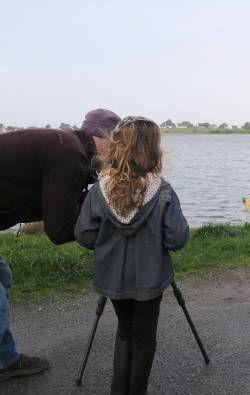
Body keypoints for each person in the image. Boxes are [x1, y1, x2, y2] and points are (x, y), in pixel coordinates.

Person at [0, 109, 121, 383]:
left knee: (2, 277)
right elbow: (59, 230)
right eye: (116, 145)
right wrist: (107, 226)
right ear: (101, 138)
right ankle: (6, 362)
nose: (116, 155)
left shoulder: (66, 145)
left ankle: (6, 359)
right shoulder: (70, 155)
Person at [74, 116, 189, 395]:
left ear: (117, 147)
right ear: (153, 149)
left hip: (112, 277)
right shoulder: (161, 191)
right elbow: (177, 238)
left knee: (125, 329)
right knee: (144, 335)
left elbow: (84, 236)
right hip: (149, 280)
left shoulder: (100, 190)